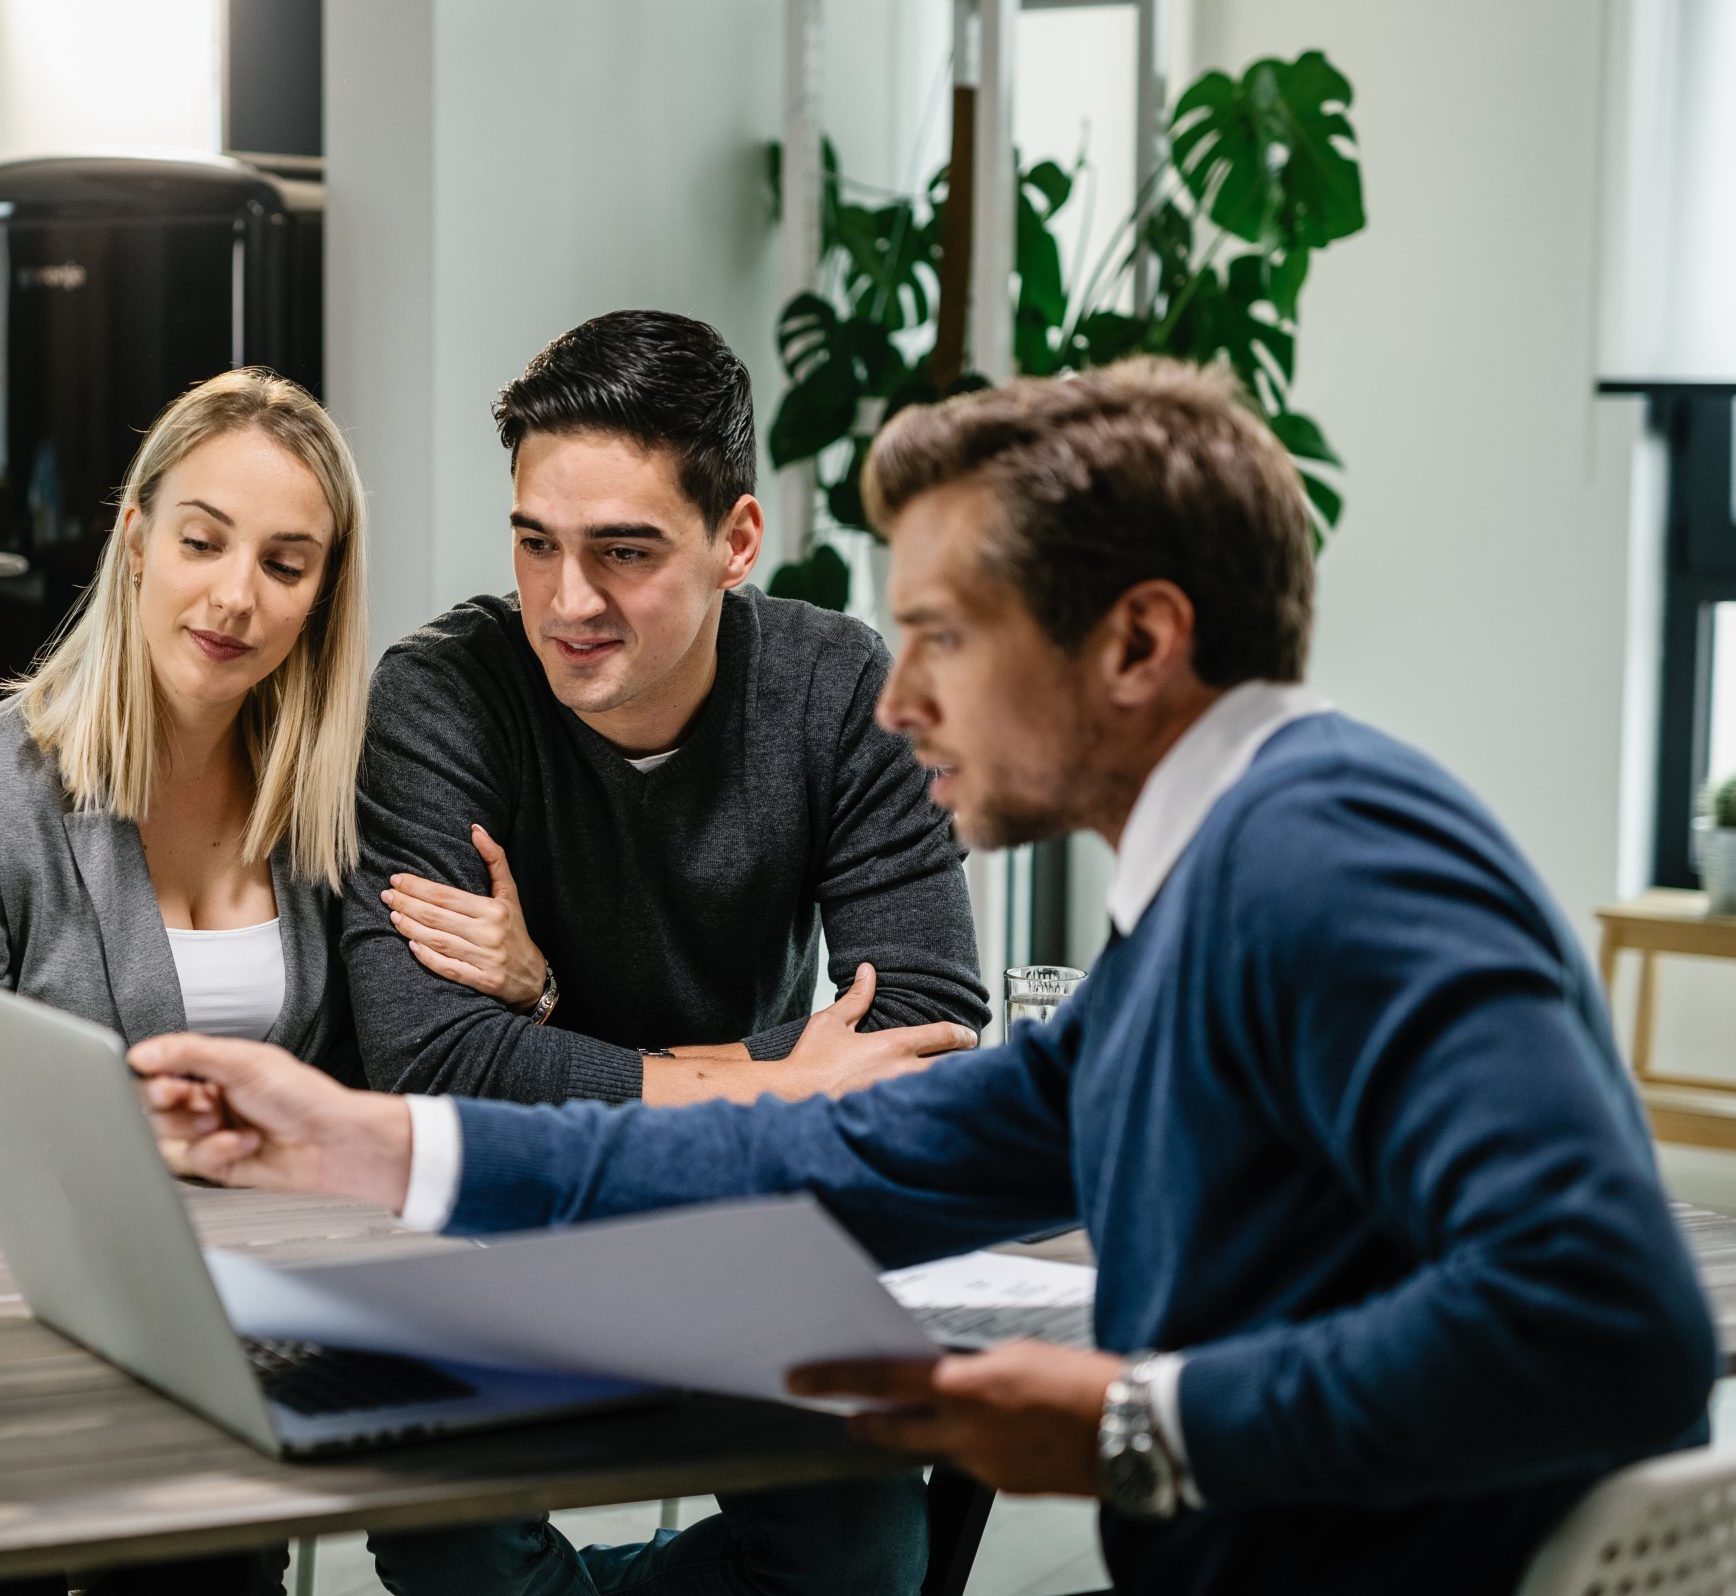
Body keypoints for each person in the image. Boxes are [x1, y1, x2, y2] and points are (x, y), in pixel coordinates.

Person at [132, 359, 1720, 1596]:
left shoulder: (1333, 859)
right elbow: (845, 1146)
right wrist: (362, 1141)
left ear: (1138, 644)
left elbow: (1606, 1314)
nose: (895, 703)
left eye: (947, 636)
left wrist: (1129, 1424)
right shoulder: (1216, 883)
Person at [340, 309, 990, 1596]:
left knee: (864, 1554)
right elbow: (422, 1058)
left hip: (741, 1219)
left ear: (736, 541)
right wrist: (769, 1083)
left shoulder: (839, 692)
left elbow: (924, 1028)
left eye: (622, 552)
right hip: (495, 1228)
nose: (567, 602)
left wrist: (542, 1017)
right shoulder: (443, 696)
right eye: (536, 545)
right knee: (453, 1548)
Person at [0, 368, 526, 1596]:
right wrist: (162, 1132)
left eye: (286, 563)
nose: (235, 596)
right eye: (203, 541)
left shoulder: (332, 805)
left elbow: (391, 1063)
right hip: (21, 1325)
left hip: (253, 1326)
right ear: (135, 540)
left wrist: (526, 980)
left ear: (321, 594)